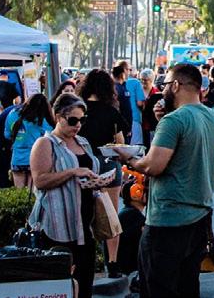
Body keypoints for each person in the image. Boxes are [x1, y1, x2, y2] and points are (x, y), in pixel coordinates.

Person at [130, 62, 214, 298]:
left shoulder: (174, 121)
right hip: (199, 217)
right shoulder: (213, 118)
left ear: (176, 85)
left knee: (158, 288)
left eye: (165, 85)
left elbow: (153, 166)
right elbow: (187, 151)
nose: (162, 90)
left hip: (168, 219)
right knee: (187, 286)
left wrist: (129, 159)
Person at [29, 93, 110, 297]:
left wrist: (98, 181)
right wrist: (72, 172)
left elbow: (88, 172)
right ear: (58, 117)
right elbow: (40, 180)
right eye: (73, 120)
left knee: (84, 285)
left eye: (82, 120)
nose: (78, 125)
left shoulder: (83, 142)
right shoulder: (45, 143)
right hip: (57, 225)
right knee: (60, 289)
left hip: (84, 225)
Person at [81, 69, 129, 277]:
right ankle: (112, 262)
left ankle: (89, 261)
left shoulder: (79, 111)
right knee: (111, 216)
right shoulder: (111, 111)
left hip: (83, 165)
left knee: (84, 215)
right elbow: (120, 143)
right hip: (108, 163)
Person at [5, 94, 54, 188]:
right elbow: (51, 134)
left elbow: (7, 135)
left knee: (19, 193)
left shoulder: (12, 114)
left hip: (16, 159)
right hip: (33, 159)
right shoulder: (40, 119)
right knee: (32, 193)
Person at [116, 62, 148, 146]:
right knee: (135, 148)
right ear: (124, 70)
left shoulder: (113, 84)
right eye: (129, 69)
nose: (129, 72)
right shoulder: (135, 83)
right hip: (134, 119)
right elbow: (140, 103)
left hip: (117, 123)